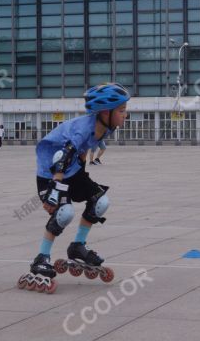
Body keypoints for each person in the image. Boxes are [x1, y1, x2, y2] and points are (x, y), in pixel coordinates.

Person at [18, 83, 129, 293]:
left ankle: (77, 246)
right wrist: (54, 191)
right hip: (51, 173)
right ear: (106, 112)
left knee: (101, 201)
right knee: (65, 212)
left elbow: (81, 153)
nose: (126, 115)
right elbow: (63, 157)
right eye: (122, 111)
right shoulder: (84, 128)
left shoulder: (104, 127)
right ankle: (41, 258)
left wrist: (81, 174)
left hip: (73, 170)